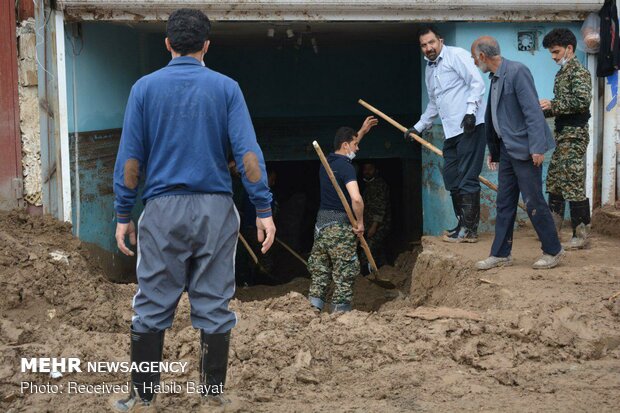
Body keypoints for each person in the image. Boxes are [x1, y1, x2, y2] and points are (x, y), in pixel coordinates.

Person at [112, 9, 275, 410]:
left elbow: (131, 161)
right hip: (215, 210)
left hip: (161, 211)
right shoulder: (226, 88)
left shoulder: (143, 89)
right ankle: (212, 396)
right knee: (214, 302)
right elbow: (248, 155)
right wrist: (263, 208)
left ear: (167, 44)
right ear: (206, 45)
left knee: (151, 301)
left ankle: (141, 397)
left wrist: (122, 214)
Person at [471, 36, 564, 271]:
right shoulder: (494, 78)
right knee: (504, 203)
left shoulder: (517, 71)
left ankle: (553, 250)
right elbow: (495, 117)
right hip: (507, 149)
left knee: (533, 201)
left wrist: (537, 147)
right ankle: (501, 254)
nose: (474, 63)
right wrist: (494, 150)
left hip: (525, 150)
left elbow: (532, 111)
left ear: (482, 56)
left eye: (474, 58)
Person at [405, 25, 486, 243]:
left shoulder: (456, 56)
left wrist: (470, 112)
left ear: (440, 40)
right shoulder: (430, 69)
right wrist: (418, 127)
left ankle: (469, 230)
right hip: (451, 132)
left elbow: (477, 83)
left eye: (431, 42)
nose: (428, 47)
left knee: (468, 177)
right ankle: (462, 224)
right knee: (452, 177)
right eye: (424, 45)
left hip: (470, 127)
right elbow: (434, 102)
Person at [307, 117, 377, 313]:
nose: (358, 148)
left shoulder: (327, 162)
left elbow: (348, 150)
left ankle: (313, 308)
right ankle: (340, 314)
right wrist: (361, 223)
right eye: (355, 144)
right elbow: (356, 199)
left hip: (321, 226)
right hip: (340, 226)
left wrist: (361, 132)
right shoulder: (347, 168)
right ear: (345, 145)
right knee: (345, 271)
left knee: (320, 269)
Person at [539, 28, 592, 249]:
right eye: (551, 53)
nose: (553, 57)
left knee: (572, 183)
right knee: (555, 181)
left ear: (569, 49)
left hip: (574, 135)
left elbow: (581, 102)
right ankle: (552, 231)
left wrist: (553, 105)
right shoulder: (563, 73)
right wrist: (542, 110)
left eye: (556, 52)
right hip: (562, 135)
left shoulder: (578, 72)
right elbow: (562, 107)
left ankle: (581, 236)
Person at [359, 162, 391, 273]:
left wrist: (374, 226)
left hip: (379, 226)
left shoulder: (379, 185)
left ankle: (365, 276)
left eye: (370, 169)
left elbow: (381, 207)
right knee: (379, 250)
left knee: (367, 250)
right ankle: (386, 271)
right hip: (369, 225)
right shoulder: (368, 185)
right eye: (365, 169)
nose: (367, 172)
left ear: (376, 170)